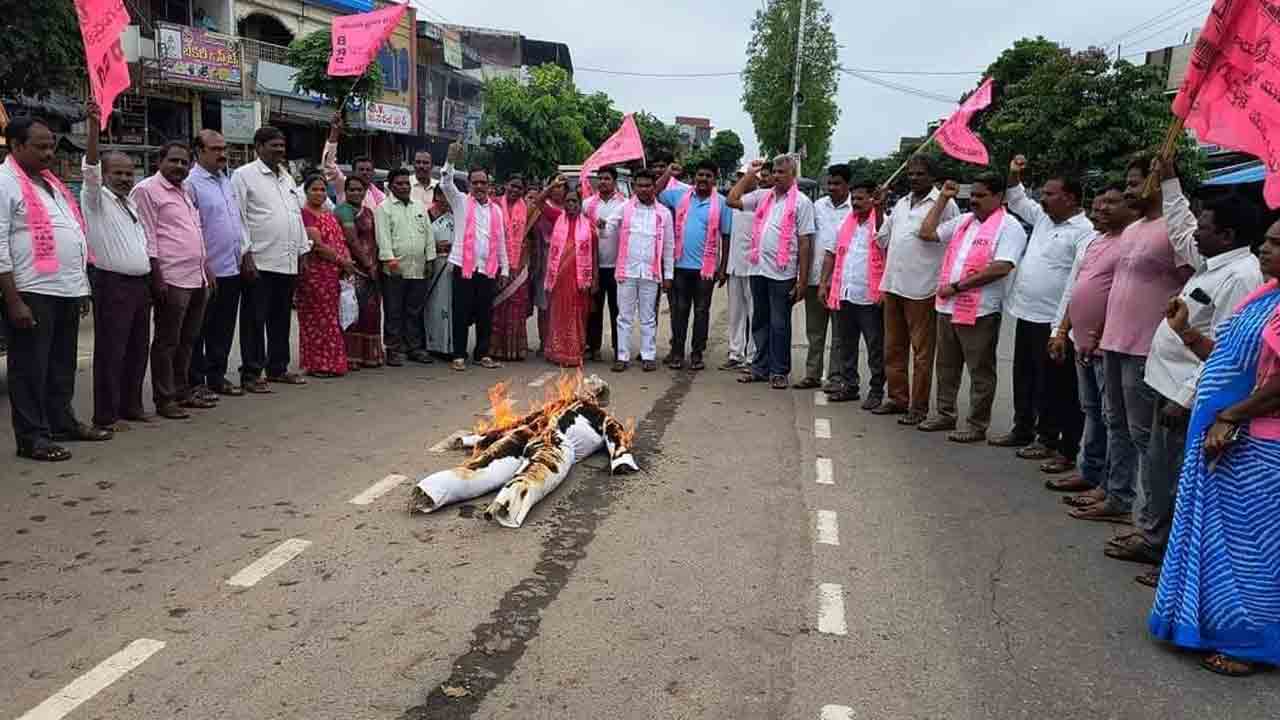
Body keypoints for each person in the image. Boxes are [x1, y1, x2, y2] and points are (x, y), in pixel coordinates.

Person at [1108, 166, 1263, 573]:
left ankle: (1169, 556)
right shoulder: (1212, 262)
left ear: (1227, 236)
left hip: (1187, 394)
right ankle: (1154, 538)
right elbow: (1180, 227)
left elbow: (1230, 353)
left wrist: (1186, 396)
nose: (1196, 232)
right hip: (1166, 383)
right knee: (1160, 468)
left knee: (1178, 477)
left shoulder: (1240, 278)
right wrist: (1170, 181)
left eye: (1205, 226)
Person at [1149, 220, 1280, 678]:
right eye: (1266, 238)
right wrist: (1187, 333)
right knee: (1216, 538)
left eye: (1277, 243)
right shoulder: (1266, 296)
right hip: (1225, 436)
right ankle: (1208, 625)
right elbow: (1228, 358)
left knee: (1253, 549)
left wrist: (1230, 416)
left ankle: (1252, 644)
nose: (1264, 248)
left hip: (1259, 445)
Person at [1071, 156, 1193, 523]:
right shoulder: (1134, 229)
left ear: (1157, 182)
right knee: (1115, 424)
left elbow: (1193, 280)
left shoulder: (1174, 229)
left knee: (1145, 437)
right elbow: (1115, 288)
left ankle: (1151, 517)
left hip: (1146, 348)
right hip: (1113, 342)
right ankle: (1117, 495)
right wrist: (1099, 331)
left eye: (1135, 182)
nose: (1127, 190)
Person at [3, 116, 105, 461]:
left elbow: (71, 232)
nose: (49, 153)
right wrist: (13, 300)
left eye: (51, 146)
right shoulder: (5, 182)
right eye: (40, 146)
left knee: (61, 364)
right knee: (30, 368)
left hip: (65, 289)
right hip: (32, 290)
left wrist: (80, 286)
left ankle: (61, 422)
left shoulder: (51, 183)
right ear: (16, 146)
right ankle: (32, 437)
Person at [991, 156, 1096, 475]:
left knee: (1052, 384)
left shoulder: (1084, 231)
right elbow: (1017, 197)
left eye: (1050, 194)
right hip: (1025, 313)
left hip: (1053, 321)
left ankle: (1048, 438)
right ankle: (1022, 427)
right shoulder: (1042, 219)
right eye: (1044, 194)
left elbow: (1077, 282)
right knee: (1023, 375)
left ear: (1071, 198)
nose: (1043, 199)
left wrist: (1060, 329)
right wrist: (1013, 173)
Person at [916, 174, 1028, 443]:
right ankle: (945, 414)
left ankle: (977, 424)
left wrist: (957, 287)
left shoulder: (1009, 226)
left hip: (980, 311)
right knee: (946, 366)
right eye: (972, 195)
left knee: (980, 370)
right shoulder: (964, 221)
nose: (974, 201)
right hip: (947, 307)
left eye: (980, 196)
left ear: (999, 197)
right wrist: (942, 198)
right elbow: (927, 232)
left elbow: (1001, 267)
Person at [1049, 185, 1138, 504]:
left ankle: (1111, 487)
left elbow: (1117, 296)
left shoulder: (1129, 243)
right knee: (1091, 411)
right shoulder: (1097, 241)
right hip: (1080, 342)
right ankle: (1089, 470)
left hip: (1105, 345)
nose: (1100, 209)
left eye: (1111, 203)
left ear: (1130, 207)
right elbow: (1079, 288)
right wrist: (1062, 330)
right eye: (1098, 204)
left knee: (1113, 418)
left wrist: (1097, 334)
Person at [81, 103, 152, 434]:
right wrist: (94, 128)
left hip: (139, 285)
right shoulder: (95, 199)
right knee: (112, 351)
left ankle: (130, 406)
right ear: (105, 175)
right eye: (118, 173)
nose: (125, 178)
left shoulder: (131, 202)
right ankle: (106, 416)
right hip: (112, 284)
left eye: (129, 173)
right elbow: (90, 169)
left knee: (138, 349)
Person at [874, 155, 961, 424]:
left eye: (920, 174)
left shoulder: (946, 204)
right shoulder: (900, 203)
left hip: (923, 287)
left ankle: (919, 407)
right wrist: (878, 208)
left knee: (922, 353)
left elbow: (951, 243)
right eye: (911, 174)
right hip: (894, 285)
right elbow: (882, 238)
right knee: (892, 348)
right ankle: (898, 398)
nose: (913, 178)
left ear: (932, 176)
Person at [133, 141, 214, 420]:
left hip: (196, 277)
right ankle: (164, 398)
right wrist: (158, 277)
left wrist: (207, 269)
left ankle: (182, 391)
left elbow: (195, 232)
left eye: (184, 162)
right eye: (174, 161)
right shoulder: (146, 190)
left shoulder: (185, 191)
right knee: (167, 341)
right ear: (160, 160)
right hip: (171, 277)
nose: (180, 167)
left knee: (188, 339)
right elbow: (148, 236)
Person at [231, 126, 311, 392]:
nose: (280, 150)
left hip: (287, 261)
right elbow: (238, 218)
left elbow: (295, 217)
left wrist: (302, 252)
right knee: (254, 319)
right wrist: (246, 254)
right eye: (274, 145)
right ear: (258, 147)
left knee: (280, 319)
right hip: (260, 261)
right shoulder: (243, 176)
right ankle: (251, 373)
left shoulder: (287, 178)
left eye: (282, 145)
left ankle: (278, 368)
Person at [728, 155, 817, 389]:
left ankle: (779, 371)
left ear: (792, 174)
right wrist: (749, 174)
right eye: (774, 171)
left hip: (783, 272)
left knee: (779, 323)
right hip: (758, 268)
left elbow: (806, 241)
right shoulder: (762, 196)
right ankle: (760, 367)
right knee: (759, 320)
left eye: (781, 172)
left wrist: (803, 279)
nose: (776, 176)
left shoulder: (802, 202)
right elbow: (732, 200)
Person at [186, 129, 247, 398]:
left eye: (224, 148)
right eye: (215, 149)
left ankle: (217, 376)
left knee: (223, 328)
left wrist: (246, 253)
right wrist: (203, 263)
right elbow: (192, 227)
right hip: (207, 271)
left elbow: (237, 221)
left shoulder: (226, 180)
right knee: (199, 329)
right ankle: (195, 381)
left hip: (231, 268)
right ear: (199, 152)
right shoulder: (191, 184)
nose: (222, 153)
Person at [440, 141, 510, 371]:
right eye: (475, 182)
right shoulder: (460, 201)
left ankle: (482, 354)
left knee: (484, 313)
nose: (479, 186)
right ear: (469, 184)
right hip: (463, 266)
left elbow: (500, 242)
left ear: (489, 185)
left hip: (487, 269)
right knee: (460, 311)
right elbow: (446, 183)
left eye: (483, 182)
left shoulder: (496, 210)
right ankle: (459, 355)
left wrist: (505, 269)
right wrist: (450, 161)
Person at [818, 178, 886, 408]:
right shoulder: (847, 224)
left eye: (860, 199)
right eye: (853, 199)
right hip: (844, 293)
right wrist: (824, 283)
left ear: (872, 199)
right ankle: (849, 385)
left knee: (875, 346)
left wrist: (880, 208)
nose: (855, 203)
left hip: (870, 298)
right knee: (846, 344)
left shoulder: (880, 224)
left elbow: (885, 241)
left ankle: (877, 391)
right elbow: (831, 254)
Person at [658, 159, 732, 371]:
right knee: (679, 312)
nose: (703, 179)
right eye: (700, 175)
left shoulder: (722, 203)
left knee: (702, 312)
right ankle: (678, 353)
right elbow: (656, 192)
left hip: (705, 270)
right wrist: (668, 174)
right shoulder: (680, 196)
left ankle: (697, 353)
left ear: (714, 179)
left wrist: (723, 267)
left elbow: (726, 236)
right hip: (680, 266)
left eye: (708, 176)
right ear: (694, 178)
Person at [607, 170, 674, 372]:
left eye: (648, 185)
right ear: (634, 187)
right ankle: (622, 356)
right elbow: (608, 227)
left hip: (651, 272)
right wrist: (604, 227)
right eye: (640, 185)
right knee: (624, 316)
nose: (644, 189)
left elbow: (669, 246)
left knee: (648, 316)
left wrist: (668, 275)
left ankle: (648, 355)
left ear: (655, 187)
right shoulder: (624, 208)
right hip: (626, 271)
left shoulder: (663, 213)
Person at [298, 173, 357, 378]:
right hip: (316, 275)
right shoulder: (306, 214)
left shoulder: (328, 212)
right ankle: (319, 364)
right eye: (314, 189)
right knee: (317, 319)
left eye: (323, 189)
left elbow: (340, 240)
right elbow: (318, 247)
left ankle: (331, 362)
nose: (319, 193)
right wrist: (343, 262)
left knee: (331, 317)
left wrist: (346, 263)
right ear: (305, 192)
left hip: (333, 274)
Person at [802, 164, 854, 390]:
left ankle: (836, 377)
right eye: (829, 183)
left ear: (847, 185)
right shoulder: (817, 207)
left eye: (837, 184)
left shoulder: (858, 208)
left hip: (842, 282)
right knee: (814, 331)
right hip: (815, 278)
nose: (832, 188)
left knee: (839, 334)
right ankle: (812, 374)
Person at [376, 167, 434, 366]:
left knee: (414, 310)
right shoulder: (383, 208)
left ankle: (414, 348)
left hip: (418, 268)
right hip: (395, 269)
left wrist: (430, 259)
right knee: (393, 311)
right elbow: (383, 238)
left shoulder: (419, 206)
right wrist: (389, 260)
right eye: (399, 184)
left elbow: (428, 235)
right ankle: (393, 349)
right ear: (390, 186)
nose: (403, 187)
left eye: (405, 184)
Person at [537, 187, 598, 367]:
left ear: (580, 204)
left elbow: (594, 255)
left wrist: (595, 279)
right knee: (558, 312)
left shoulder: (589, 226)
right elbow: (539, 202)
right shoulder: (557, 218)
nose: (571, 205)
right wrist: (551, 186)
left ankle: (573, 351)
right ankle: (557, 351)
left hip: (579, 279)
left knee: (577, 312)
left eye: (575, 201)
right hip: (559, 278)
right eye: (568, 201)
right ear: (563, 204)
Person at [334, 175, 384, 369]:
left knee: (371, 312)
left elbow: (374, 239)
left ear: (365, 192)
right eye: (352, 189)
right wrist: (368, 264)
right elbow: (352, 241)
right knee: (352, 312)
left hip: (372, 267)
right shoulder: (343, 211)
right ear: (345, 192)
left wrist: (376, 263)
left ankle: (370, 356)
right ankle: (351, 357)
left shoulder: (369, 212)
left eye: (359, 189)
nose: (356, 193)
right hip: (353, 268)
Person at [722, 165, 768, 370]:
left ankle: (752, 355)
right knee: (735, 314)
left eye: (746, 177)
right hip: (735, 265)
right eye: (740, 177)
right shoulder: (738, 202)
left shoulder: (762, 200)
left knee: (753, 313)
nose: (743, 180)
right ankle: (735, 353)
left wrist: (752, 176)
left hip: (754, 267)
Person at [585, 166, 627, 362]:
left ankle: (619, 348)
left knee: (617, 310)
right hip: (594, 267)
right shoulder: (587, 205)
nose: (602, 182)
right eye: (600, 178)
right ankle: (593, 347)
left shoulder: (625, 205)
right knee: (594, 309)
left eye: (607, 179)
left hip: (617, 267)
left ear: (614, 181)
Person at [490, 175, 532, 361]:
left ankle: (515, 349)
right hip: (497, 262)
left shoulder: (528, 210)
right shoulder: (494, 205)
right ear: (505, 185)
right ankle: (496, 348)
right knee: (497, 307)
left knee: (516, 306)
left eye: (519, 188)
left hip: (519, 264)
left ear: (523, 191)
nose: (515, 190)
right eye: (512, 186)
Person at [322, 114, 385, 211]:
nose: (365, 172)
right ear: (353, 172)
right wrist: (334, 132)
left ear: (373, 173)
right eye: (361, 169)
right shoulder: (343, 184)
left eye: (368, 170)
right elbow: (329, 165)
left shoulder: (380, 196)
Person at [532, 180, 566, 350]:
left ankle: (559, 342)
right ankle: (544, 342)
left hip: (565, 261)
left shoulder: (569, 211)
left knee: (561, 305)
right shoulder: (546, 208)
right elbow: (537, 201)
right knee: (544, 305)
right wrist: (551, 186)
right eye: (555, 187)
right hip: (545, 260)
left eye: (561, 187)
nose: (557, 190)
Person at [425, 186, 455, 357]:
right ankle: (434, 344)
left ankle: (449, 346)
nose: (445, 199)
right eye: (442, 195)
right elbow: (422, 240)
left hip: (453, 266)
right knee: (435, 306)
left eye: (448, 195)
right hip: (435, 265)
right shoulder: (426, 215)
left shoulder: (456, 215)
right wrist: (435, 248)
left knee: (451, 306)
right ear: (436, 196)